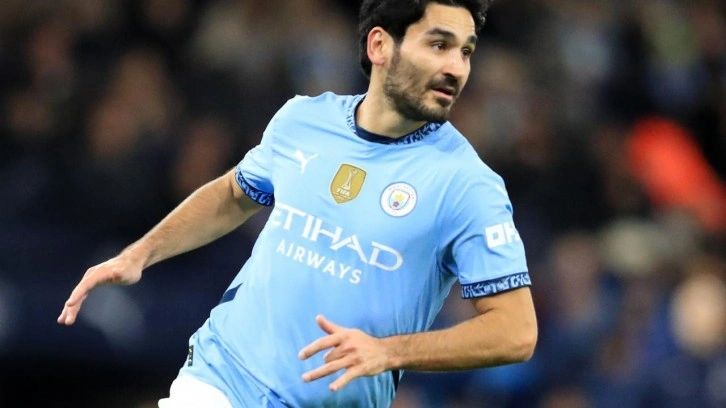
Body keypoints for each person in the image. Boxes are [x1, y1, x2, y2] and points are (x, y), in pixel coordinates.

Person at [58, 0, 538, 406]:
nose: (456, 67)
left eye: (466, 51)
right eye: (439, 45)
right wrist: (140, 254)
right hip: (221, 379)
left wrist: (390, 352)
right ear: (379, 46)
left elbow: (516, 331)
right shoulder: (303, 120)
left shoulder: (468, 185)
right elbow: (234, 193)